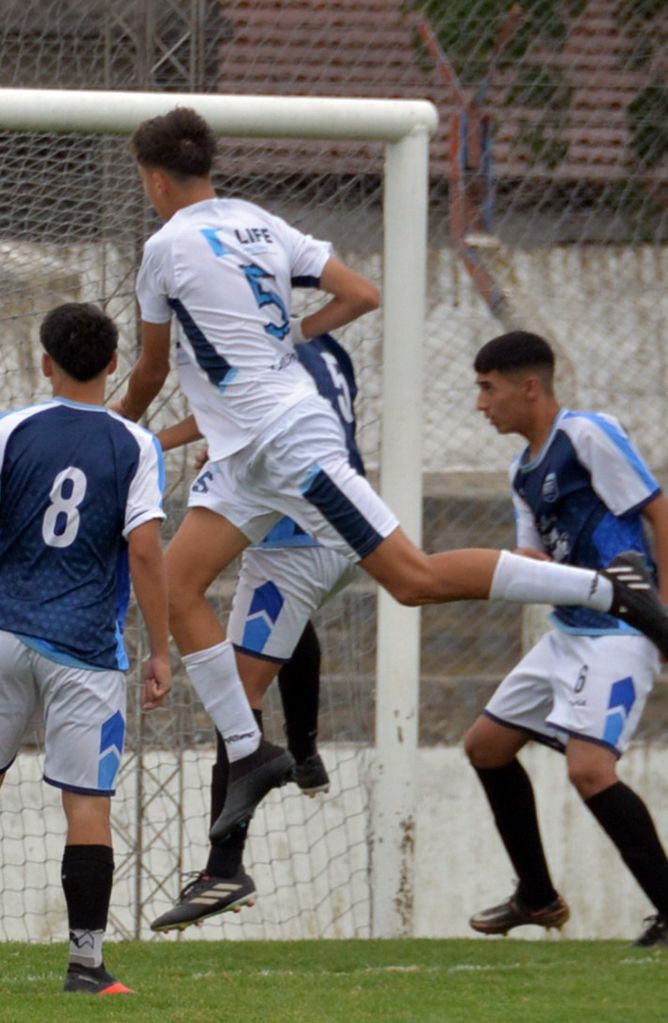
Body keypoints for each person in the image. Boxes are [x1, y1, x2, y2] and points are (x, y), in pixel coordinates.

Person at [120, 107, 668, 861]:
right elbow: (361, 295)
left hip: (285, 442)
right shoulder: (263, 224)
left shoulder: (163, 248)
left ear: (154, 179)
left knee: (411, 578)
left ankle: (615, 591)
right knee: (173, 584)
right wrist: (292, 338)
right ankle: (251, 752)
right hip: (247, 452)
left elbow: (151, 369)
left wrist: (113, 430)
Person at [0, 303, 171, 996]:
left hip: (1, 634)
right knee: (87, 806)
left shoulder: (9, 430)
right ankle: (85, 962)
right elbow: (143, 548)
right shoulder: (135, 444)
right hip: (84, 646)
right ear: (113, 366)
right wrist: (162, 649)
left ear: (44, 362)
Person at [150, 334, 360, 931]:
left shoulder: (253, 347)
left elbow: (253, 416)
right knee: (282, 627)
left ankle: (224, 870)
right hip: (332, 526)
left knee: (237, 698)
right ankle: (305, 751)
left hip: (296, 542)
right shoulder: (325, 348)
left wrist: (155, 440)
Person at [465, 331, 668, 948]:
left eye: (488, 388)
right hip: (567, 634)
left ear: (530, 387)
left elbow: (658, 512)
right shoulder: (521, 470)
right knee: (486, 747)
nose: (481, 404)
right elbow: (536, 557)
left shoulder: (587, 434)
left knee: (589, 771)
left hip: (620, 631)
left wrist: (663, 617)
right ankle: (537, 896)